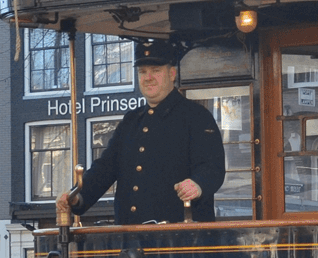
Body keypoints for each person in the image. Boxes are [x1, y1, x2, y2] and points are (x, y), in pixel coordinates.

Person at [62, 40, 225, 225]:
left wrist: (197, 185)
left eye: (156, 71)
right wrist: (77, 195)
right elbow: (105, 168)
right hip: (131, 237)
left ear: (172, 74)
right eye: (142, 72)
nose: (148, 77)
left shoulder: (196, 116)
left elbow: (213, 167)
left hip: (178, 240)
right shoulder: (131, 121)